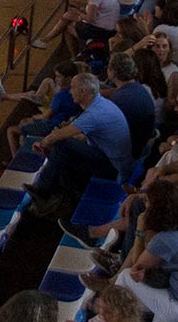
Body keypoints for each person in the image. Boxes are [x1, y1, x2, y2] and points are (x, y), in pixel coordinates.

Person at [87, 179, 178, 322]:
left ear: (156, 209)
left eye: (147, 202)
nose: (144, 205)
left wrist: (140, 229)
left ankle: (106, 317)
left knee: (125, 277)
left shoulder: (166, 240)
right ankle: (108, 291)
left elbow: (135, 269)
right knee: (133, 270)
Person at [24, 73, 133, 217]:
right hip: (113, 159)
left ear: (83, 91)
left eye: (73, 88)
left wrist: (43, 143)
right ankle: (56, 198)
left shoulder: (94, 113)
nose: (70, 91)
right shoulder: (101, 104)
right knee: (61, 153)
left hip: (111, 167)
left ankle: (44, 191)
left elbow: (59, 135)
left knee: (61, 145)